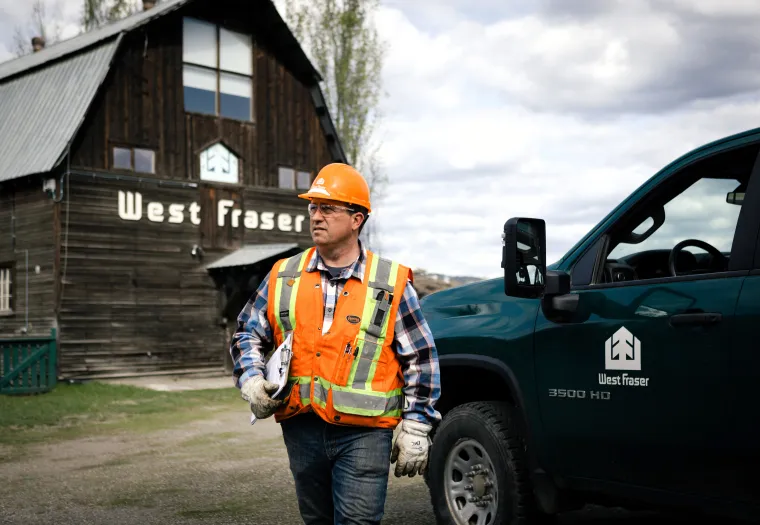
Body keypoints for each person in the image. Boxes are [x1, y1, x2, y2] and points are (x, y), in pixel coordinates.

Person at [229, 162, 441, 525]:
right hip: (301, 428)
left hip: (365, 433)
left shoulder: (390, 282)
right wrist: (250, 378)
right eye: (313, 207)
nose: (316, 216)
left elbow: (420, 358)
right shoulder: (284, 275)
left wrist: (417, 425)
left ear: (356, 219)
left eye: (328, 208)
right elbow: (247, 331)